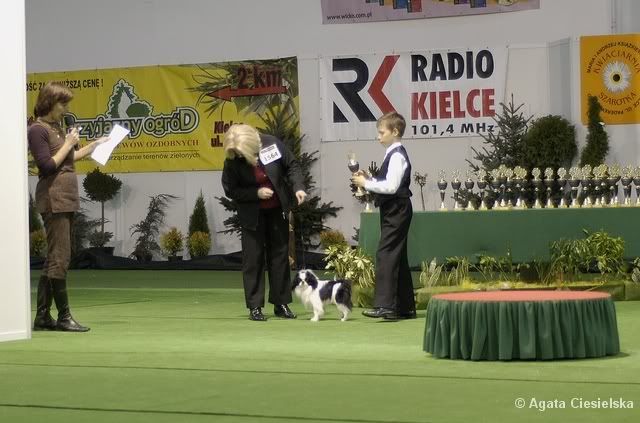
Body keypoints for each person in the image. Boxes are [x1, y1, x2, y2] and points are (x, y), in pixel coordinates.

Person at [29, 82, 108, 332]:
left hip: (65, 198)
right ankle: (64, 317)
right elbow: (47, 165)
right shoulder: (37, 130)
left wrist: (94, 146)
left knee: (55, 257)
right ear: (49, 103)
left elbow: (69, 158)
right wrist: (68, 142)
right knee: (60, 258)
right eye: (62, 104)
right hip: (54, 198)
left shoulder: (56, 128)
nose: (66, 109)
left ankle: (43, 316)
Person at [222, 124, 307, 321]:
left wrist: (298, 187)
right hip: (252, 215)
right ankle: (255, 307)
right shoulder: (233, 159)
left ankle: (281, 303)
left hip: (277, 210)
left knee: (280, 256)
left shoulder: (271, 143)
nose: (239, 156)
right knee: (253, 260)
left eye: (242, 153)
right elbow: (231, 190)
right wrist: (256, 193)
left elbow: (292, 165)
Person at [352, 112, 416, 321]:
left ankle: (385, 305)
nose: (378, 136)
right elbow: (388, 182)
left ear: (395, 131)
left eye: (382, 132)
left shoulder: (396, 155)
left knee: (386, 254)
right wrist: (370, 179)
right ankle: (404, 307)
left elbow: (391, 186)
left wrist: (366, 183)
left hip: (397, 209)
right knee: (397, 255)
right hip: (394, 209)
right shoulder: (393, 154)